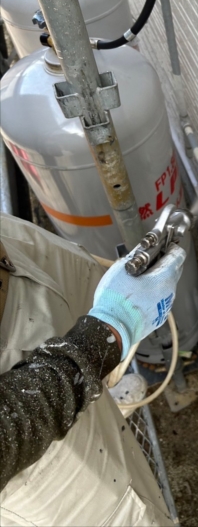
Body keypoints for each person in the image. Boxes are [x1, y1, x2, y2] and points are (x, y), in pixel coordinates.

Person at [0, 212, 186, 526]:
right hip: (21, 434)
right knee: (127, 507)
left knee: (90, 283)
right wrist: (105, 336)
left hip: (13, 250)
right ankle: (88, 385)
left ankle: (98, 390)